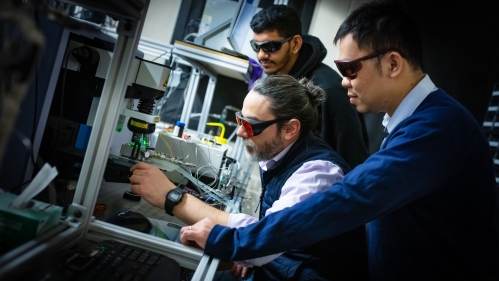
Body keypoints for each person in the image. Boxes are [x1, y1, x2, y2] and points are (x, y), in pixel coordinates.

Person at [179, 1, 499, 280]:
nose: (344, 80)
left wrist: (233, 242)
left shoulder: (435, 128)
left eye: (350, 68)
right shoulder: (415, 120)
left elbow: (349, 197)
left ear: (392, 63)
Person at [129, 75, 368, 280]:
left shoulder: (317, 174)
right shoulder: (282, 155)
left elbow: (266, 241)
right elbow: (272, 232)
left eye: (251, 125)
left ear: (290, 129)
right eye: (240, 120)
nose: (241, 132)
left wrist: (173, 198)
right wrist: (248, 253)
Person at [249, 4, 369, 169]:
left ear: (296, 44)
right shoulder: (282, 81)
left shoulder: (330, 91)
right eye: (256, 46)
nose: (261, 55)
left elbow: (352, 160)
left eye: (270, 46)